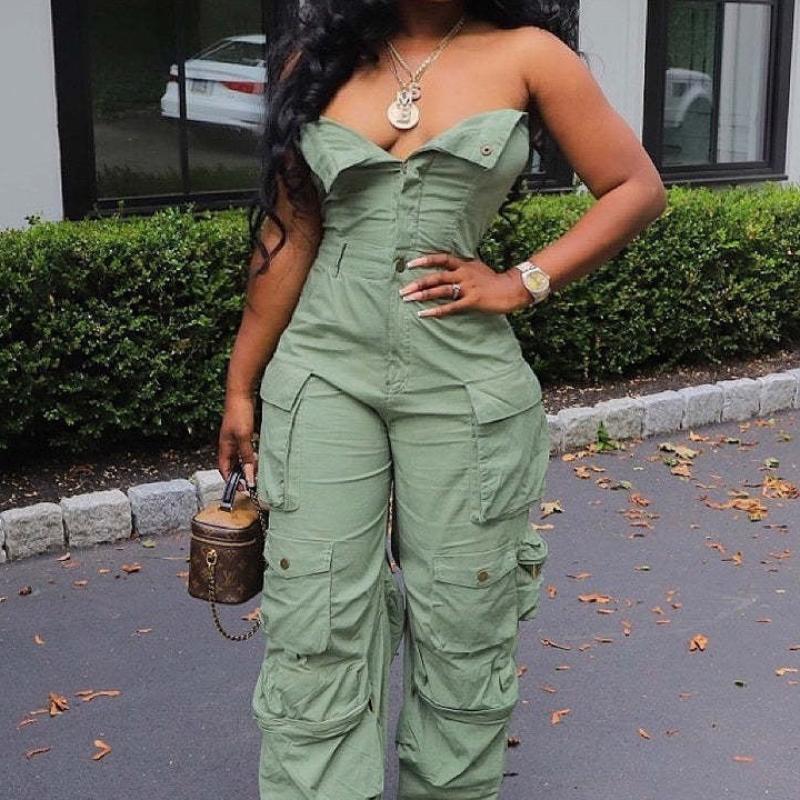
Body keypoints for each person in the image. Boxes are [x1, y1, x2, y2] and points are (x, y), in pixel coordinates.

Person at [218, 2, 667, 798]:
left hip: (462, 381)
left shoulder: (529, 56)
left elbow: (635, 187)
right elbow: (290, 236)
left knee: (465, 616)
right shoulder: (319, 59)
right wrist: (240, 384)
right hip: (323, 371)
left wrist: (520, 282)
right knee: (315, 614)